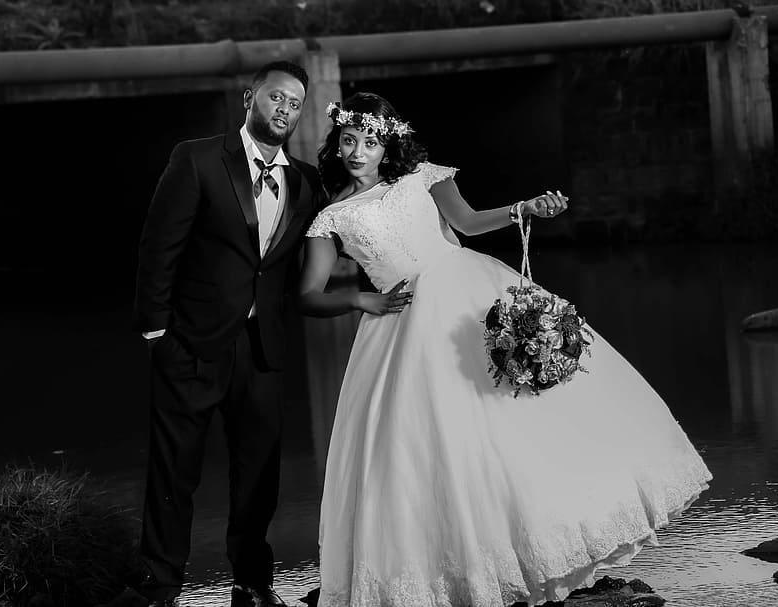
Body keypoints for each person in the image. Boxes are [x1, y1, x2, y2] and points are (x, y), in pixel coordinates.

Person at [298, 93, 712, 607]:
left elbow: (469, 225)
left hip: (464, 295)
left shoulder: (423, 176)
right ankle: (457, 569)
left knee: (508, 419)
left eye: (371, 141)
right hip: (397, 323)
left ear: (389, 144)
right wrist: (361, 297)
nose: (359, 151)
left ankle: (543, 542)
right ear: (336, 145)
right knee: (426, 447)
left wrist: (525, 208)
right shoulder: (332, 216)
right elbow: (308, 295)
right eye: (349, 141)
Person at [132, 61, 325, 607]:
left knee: (259, 475)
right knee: (174, 474)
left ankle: (253, 582)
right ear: (250, 97)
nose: (285, 109)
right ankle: (161, 584)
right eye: (275, 97)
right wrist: (156, 335)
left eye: (295, 103)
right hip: (190, 345)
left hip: (263, 351)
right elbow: (158, 251)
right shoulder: (196, 158)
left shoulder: (308, 181)